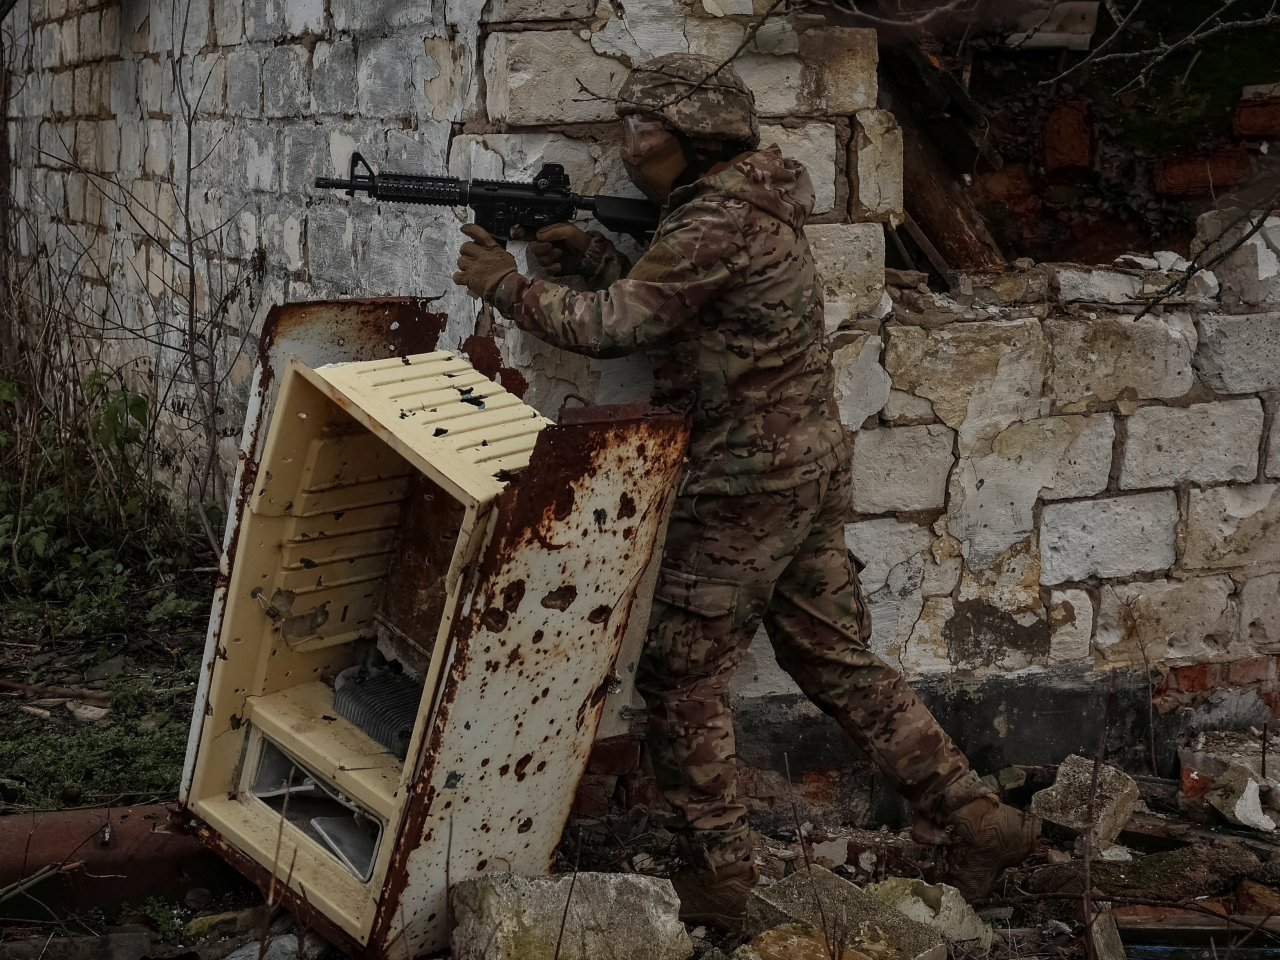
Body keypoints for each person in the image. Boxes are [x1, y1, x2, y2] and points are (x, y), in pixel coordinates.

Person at [453, 53, 1039, 931]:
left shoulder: (713, 220)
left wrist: (505, 284)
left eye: (642, 130)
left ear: (694, 140)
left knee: (682, 678)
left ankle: (721, 877)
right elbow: (685, 304)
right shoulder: (739, 205)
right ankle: (975, 816)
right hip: (798, 466)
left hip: (744, 481)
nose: (628, 146)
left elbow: (618, 328)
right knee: (829, 655)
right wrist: (597, 256)